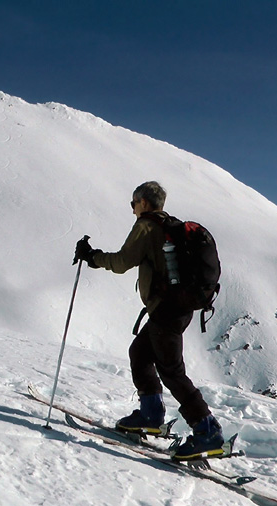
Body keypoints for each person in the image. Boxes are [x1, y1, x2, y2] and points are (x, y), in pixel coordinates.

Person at [73, 181, 225, 460]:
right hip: (175, 306)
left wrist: (92, 257)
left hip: (167, 309)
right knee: (140, 353)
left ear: (144, 202)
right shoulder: (171, 227)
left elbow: (121, 262)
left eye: (133, 203)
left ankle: (207, 431)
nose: (132, 209)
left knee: (171, 371)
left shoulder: (147, 226)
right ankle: (150, 414)